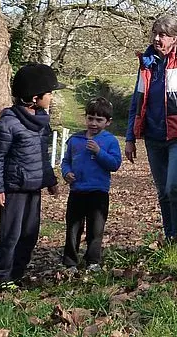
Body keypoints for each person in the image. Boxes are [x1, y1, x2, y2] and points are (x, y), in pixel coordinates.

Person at [0, 63, 63, 289]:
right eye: (49, 94)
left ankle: (18, 274)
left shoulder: (41, 122)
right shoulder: (8, 123)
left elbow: (42, 155)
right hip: (14, 189)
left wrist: (50, 181)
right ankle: (3, 277)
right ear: (35, 96)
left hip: (34, 187)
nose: (51, 98)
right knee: (11, 234)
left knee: (30, 233)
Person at [124, 16, 177, 243]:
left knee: (174, 186)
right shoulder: (146, 65)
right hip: (153, 138)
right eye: (155, 33)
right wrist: (130, 138)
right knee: (162, 191)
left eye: (163, 34)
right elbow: (136, 104)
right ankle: (170, 235)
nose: (157, 38)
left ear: (175, 39)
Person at [61, 97, 122, 271]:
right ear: (85, 118)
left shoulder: (110, 141)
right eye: (90, 118)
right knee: (73, 228)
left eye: (99, 120)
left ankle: (93, 261)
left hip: (98, 192)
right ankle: (70, 261)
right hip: (77, 191)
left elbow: (114, 164)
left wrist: (99, 152)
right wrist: (66, 173)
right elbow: (66, 161)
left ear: (108, 122)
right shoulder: (75, 140)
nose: (93, 123)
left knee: (95, 229)